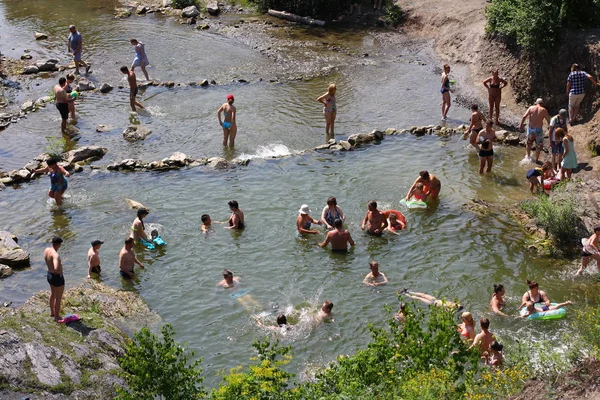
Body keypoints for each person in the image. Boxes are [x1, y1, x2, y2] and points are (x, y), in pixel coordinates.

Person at [519, 98, 550, 163]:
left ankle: (528, 156)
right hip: (538, 130)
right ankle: (536, 160)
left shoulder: (531, 108)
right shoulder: (544, 110)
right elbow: (548, 121)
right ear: (542, 104)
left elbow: (524, 116)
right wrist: (549, 128)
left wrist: (521, 125)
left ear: (536, 103)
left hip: (531, 129)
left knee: (529, 143)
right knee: (539, 145)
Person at [44, 236, 65, 322]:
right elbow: (56, 268)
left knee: (53, 294)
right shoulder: (55, 255)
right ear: (59, 245)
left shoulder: (47, 250)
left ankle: (52, 312)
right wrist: (58, 271)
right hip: (57, 277)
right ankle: (57, 316)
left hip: (49, 275)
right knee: (58, 297)